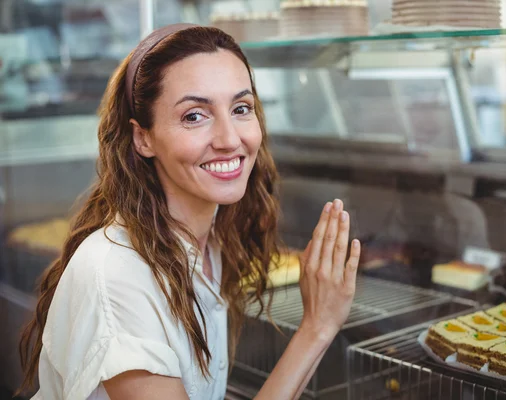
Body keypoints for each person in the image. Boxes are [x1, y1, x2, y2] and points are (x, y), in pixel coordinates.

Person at [18, 23, 361, 400]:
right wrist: (317, 326)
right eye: (194, 116)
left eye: (241, 108)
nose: (230, 140)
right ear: (143, 138)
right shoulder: (119, 276)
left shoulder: (205, 240)